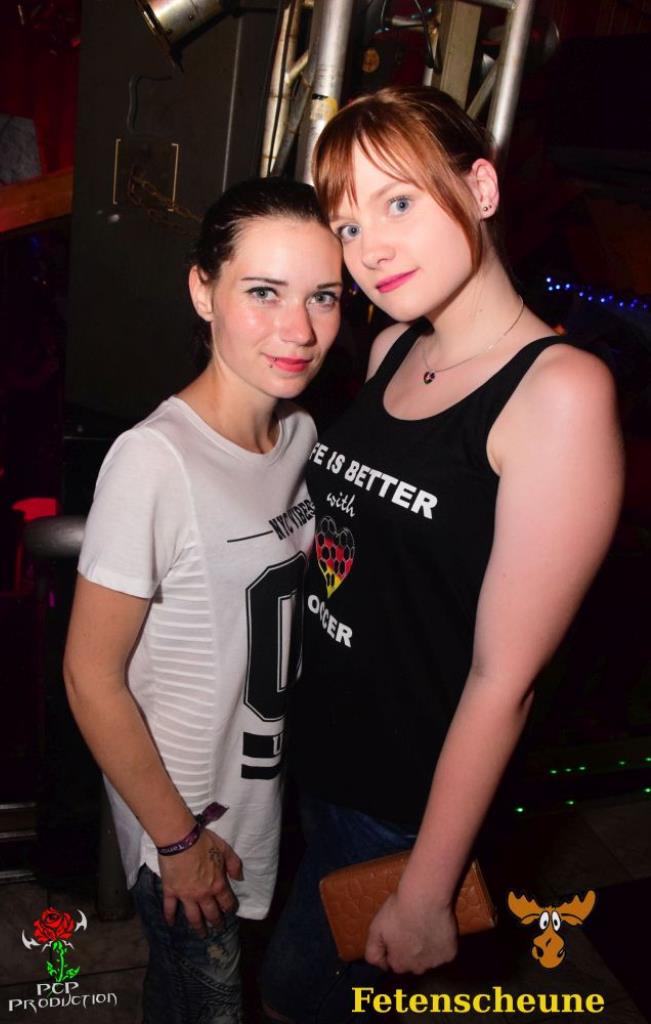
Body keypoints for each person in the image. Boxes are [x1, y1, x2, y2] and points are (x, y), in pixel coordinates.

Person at [260, 86, 623, 1022]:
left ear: (481, 188)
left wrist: (428, 887)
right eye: (347, 226)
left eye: (398, 202)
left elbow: (505, 679)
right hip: (320, 754)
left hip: (404, 803)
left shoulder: (558, 393)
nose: (369, 250)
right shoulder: (388, 348)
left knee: (298, 996)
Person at [63, 177, 342, 1024]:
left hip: (259, 791)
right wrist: (177, 842)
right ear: (202, 290)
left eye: (323, 296)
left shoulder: (300, 434)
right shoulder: (155, 461)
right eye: (263, 292)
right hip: (189, 824)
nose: (299, 330)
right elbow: (89, 677)